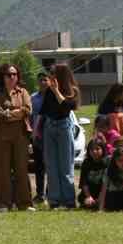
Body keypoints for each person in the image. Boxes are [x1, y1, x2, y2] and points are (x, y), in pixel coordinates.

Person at [0, 63, 33, 212]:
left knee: (22, 169)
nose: (12, 77)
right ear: (3, 77)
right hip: (1, 137)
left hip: (21, 136)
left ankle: (25, 204)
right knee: (2, 171)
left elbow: (27, 110)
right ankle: (3, 204)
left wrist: (9, 113)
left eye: (15, 74)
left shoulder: (23, 92)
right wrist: (16, 113)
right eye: (9, 74)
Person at [40, 63, 79, 209]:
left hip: (64, 127)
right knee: (51, 166)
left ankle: (69, 200)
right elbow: (44, 111)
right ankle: (54, 200)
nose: (50, 76)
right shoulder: (48, 91)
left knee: (66, 165)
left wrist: (56, 91)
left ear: (61, 75)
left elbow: (68, 107)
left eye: (52, 73)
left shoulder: (72, 90)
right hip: (49, 127)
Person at [28, 70, 50, 201]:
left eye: (45, 80)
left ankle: (50, 192)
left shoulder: (53, 96)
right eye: (40, 80)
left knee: (50, 166)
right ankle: (40, 193)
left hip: (51, 135)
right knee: (39, 167)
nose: (43, 82)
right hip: (37, 136)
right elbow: (30, 117)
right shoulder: (33, 98)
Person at [76, 139, 108, 211]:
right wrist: (88, 197)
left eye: (97, 149)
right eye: (92, 149)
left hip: (103, 192)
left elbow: (106, 183)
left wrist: (100, 197)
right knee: (84, 201)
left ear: (103, 149)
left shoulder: (107, 162)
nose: (94, 151)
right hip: (90, 192)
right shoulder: (86, 163)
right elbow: (84, 183)